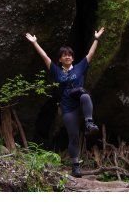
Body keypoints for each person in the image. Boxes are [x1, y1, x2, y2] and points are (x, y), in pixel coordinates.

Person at [25, 28, 105, 177]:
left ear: (73, 58)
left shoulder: (79, 68)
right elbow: (45, 57)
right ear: (60, 59)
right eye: (64, 55)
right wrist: (35, 43)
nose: (67, 57)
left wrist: (96, 39)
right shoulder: (57, 71)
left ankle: (89, 122)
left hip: (79, 99)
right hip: (68, 107)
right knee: (73, 135)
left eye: (69, 55)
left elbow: (91, 54)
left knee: (85, 96)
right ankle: (75, 166)